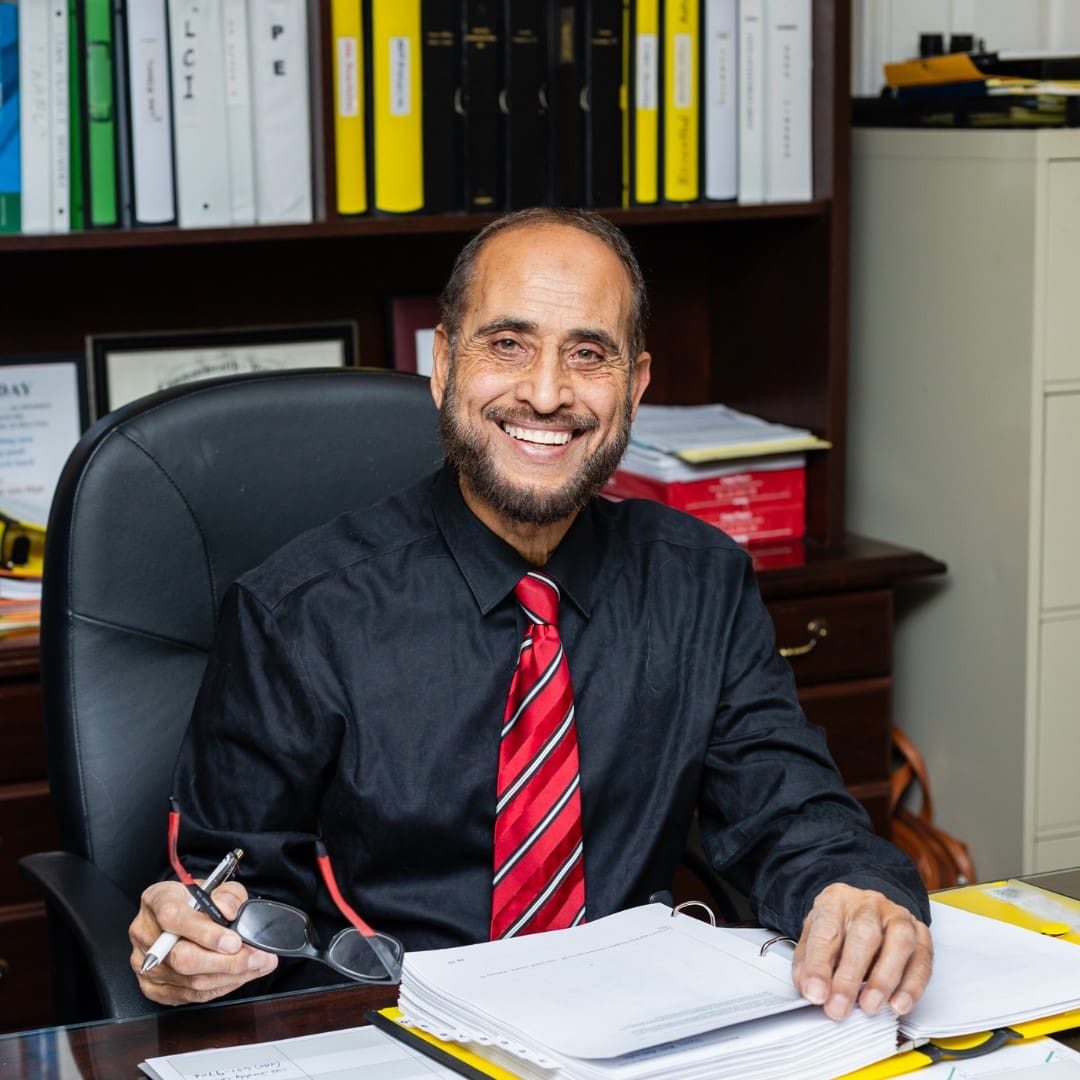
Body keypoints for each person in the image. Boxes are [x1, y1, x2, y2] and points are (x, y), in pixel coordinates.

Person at [129, 207, 933, 1019]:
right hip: (388, 1027)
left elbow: (787, 810)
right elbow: (232, 889)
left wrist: (854, 894)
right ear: (443, 364)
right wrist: (199, 946)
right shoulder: (297, 612)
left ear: (636, 386)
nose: (547, 394)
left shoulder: (700, 583)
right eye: (507, 345)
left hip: (633, 1029)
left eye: (589, 355)